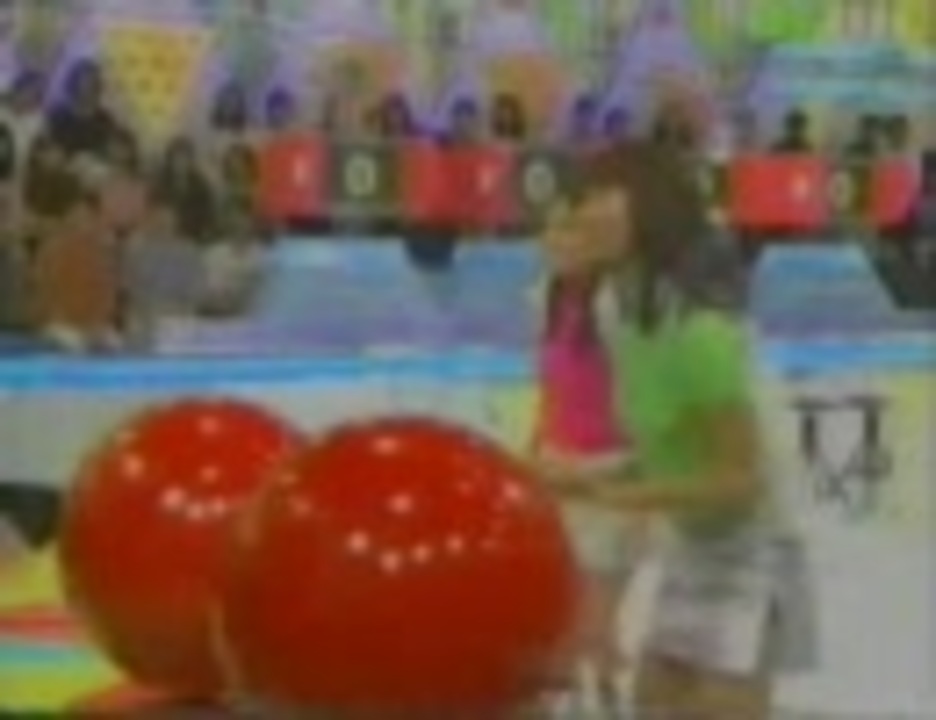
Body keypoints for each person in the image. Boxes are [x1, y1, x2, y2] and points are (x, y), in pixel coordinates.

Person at [544, 141, 812, 719]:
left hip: (751, 553)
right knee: (656, 699)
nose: (583, 211)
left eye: (602, 195)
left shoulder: (699, 331)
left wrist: (617, 495)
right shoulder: (616, 312)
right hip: (691, 544)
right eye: (583, 197)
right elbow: (661, 445)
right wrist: (586, 478)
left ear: (650, 206)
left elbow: (739, 481)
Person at [531, 198, 635, 711]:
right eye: (551, 230)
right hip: (556, 468)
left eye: (570, 230)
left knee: (593, 625)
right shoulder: (543, 297)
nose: (557, 241)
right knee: (562, 623)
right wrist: (535, 452)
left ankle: (607, 700)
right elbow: (550, 389)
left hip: (611, 475)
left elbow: (640, 395)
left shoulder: (617, 305)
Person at [30, 189, 122, 353]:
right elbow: (43, 293)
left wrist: (97, 324)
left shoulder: (102, 251)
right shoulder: (53, 248)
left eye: (86, 216)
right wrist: (60, 321)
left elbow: (109, 294)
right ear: (68, 216)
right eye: (76, 214)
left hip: (94, 324)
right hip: (60, 324)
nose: (80, 219)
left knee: (115, 345)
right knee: (75, 346)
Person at [46, 59, 123, 160]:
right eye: (87, 81)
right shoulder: (58, 118)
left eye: (95, 81)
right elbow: (51, 155)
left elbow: (111, 153)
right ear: (74, 83)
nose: (92, 86)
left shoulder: (105, 121)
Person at [152, 136, 216, 245]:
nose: (180, 162)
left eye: (185, 158)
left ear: (191, 160)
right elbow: (155, 211)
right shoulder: (161, 183)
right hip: (165, 237)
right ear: (170, 160)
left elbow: (207, 214)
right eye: (177, 158)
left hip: (194, 237)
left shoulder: (200, 184)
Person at [0, 70, 45, 173]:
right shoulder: (3, 115)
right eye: (30, 92)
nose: (32, 98)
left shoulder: (36, 122)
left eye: (37, 95)